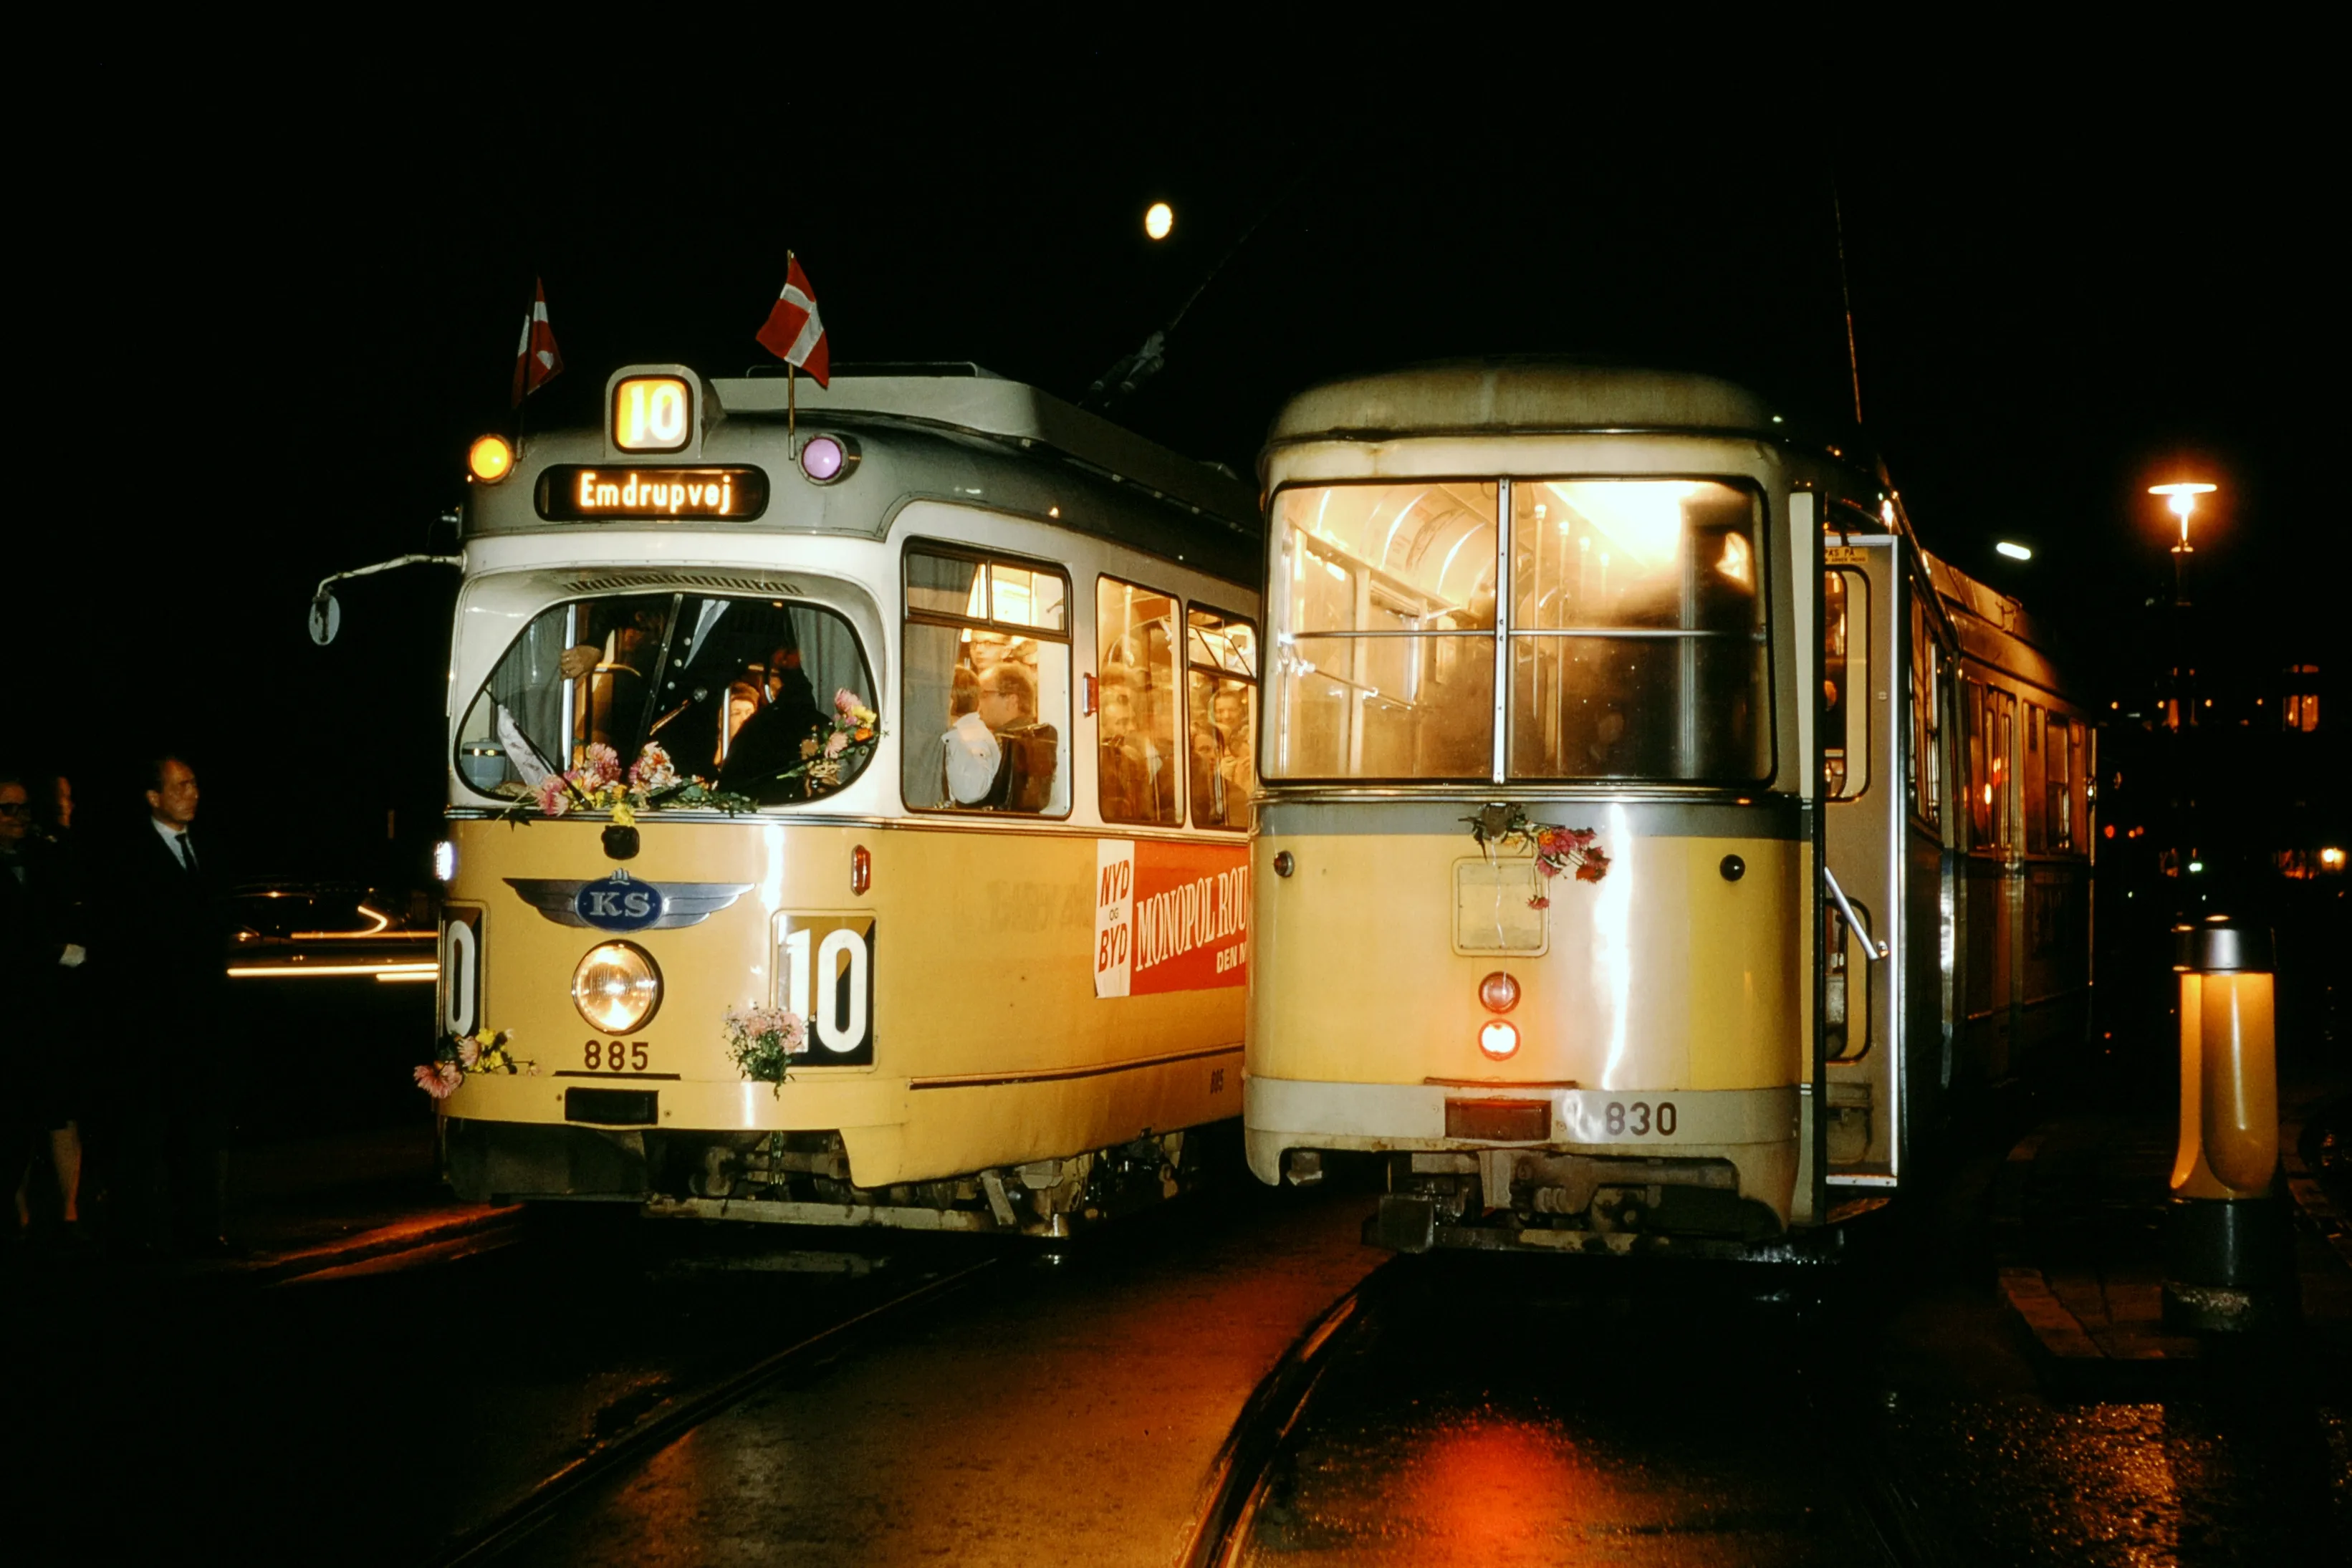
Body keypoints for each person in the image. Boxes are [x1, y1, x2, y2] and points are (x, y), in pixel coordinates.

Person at [107, 756, 233, 1256]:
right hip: (152, 1022)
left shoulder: (203, 849)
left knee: (196, 1128)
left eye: (195, 783)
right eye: (181, 786)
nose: (193, 793)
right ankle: (137, 1234)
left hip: (198, 1020)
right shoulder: (132, 858)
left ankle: (197, 1230)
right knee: (145, 1130)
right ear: (154, 797)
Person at [1, 772, 89, 1243]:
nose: (18, 819)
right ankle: (18, 1215)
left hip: (49, 1009)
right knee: (13, 1116)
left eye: (23, 808)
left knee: (60, 1109)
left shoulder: (44, 857)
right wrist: (54, 951)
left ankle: (71, 1212)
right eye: (6, 809)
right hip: (10, 1010)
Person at [946, 663, 1057, 810]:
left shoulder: (1006, 744)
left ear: (1012, 701)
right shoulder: (1033, 740)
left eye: (984, 694)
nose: (977, 702)